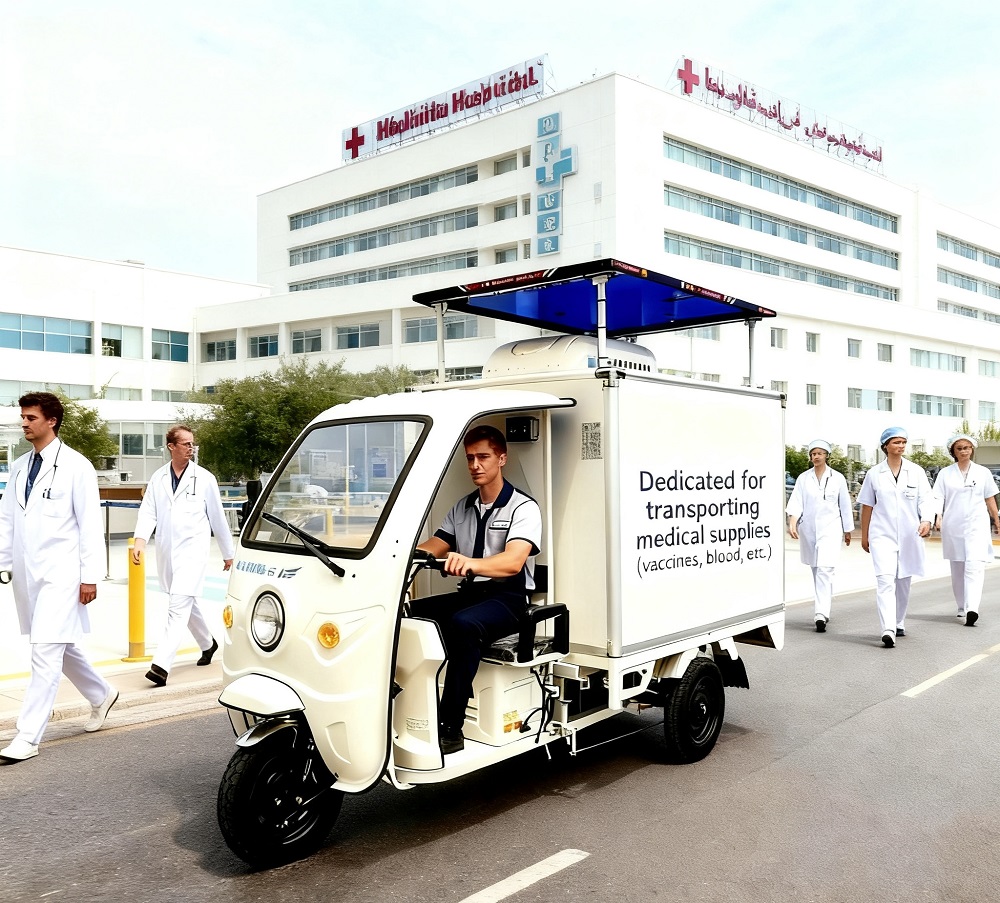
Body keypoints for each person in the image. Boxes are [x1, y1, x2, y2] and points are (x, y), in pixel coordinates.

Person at [0, 392, 118, 763]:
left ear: (51, 421)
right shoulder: (19, 466)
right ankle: (101, 694)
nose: (24, 423)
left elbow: (89, 525)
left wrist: (90, 577)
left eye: (31, 417)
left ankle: (28, 736)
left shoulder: (75, 466)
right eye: (23, 417)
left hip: (62, 575)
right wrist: (4, 561)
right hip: (28, 573)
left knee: (45, 652)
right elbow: (7, 519)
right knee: (58, 645)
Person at [413, 425, 541, 755]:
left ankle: (450, 726)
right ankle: (407, 705)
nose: (475, 465)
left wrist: (470, 563)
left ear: (502, 458)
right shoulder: (463, 507)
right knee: (410, 617)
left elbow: (513, 562)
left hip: (509, 600)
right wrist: (403, 556)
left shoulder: (523, 508)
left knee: (464, 625)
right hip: (471, 594)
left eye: (483, 457)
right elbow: (436, 545)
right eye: (470, 458)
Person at [132, 424, 234, 687]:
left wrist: (228, 553)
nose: (191, 448)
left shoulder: (205, 478)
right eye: (186, 444)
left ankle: (161, 666)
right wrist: (140, 542)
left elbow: (218, 518)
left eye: (192, 444)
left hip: (193, 552)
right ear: (171, 447)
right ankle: (207, 643)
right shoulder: (158, 478)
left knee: (177, 607)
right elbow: (148, 512)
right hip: (167, 551)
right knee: (185, 602)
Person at [859, 426, 935, 648]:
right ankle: (888, 629)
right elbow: (867, 506)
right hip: (882, 534)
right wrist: (865, 536)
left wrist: (926, 520)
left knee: (903, 581)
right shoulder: (874, 474)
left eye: (903, 442)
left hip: (909, 535)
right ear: (885, 446)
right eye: (896, 442)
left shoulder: (917, 471)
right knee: (884, 581)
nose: (901, 446)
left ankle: (899, 621)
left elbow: (926, 500)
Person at [932, 433, 1000, 626]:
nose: (964, 451)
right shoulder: (945, 473)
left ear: (972, 449)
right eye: (960, 448)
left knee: (975, 566)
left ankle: (973, 608)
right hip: (953, 525)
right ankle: (961, 606)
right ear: (953, 451)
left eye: (967, 448)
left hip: (977, 525)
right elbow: (938, 497)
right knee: (958, 567)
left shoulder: (983, 472)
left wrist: (997, 519)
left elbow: (990, 498)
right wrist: (938, 516)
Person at [786, 440, 854, 632]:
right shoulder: (803, 479)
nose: (816, 457)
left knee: (824, 569)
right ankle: (824, 608)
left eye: (820, 453)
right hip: (808, 529)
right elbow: (796, 502)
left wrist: (848, 530)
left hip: (831, 528)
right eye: (813, 454)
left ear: (826, 456)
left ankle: (820, 614)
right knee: (817, 570)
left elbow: (845, 505)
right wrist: (792, 522)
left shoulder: (837, 478)